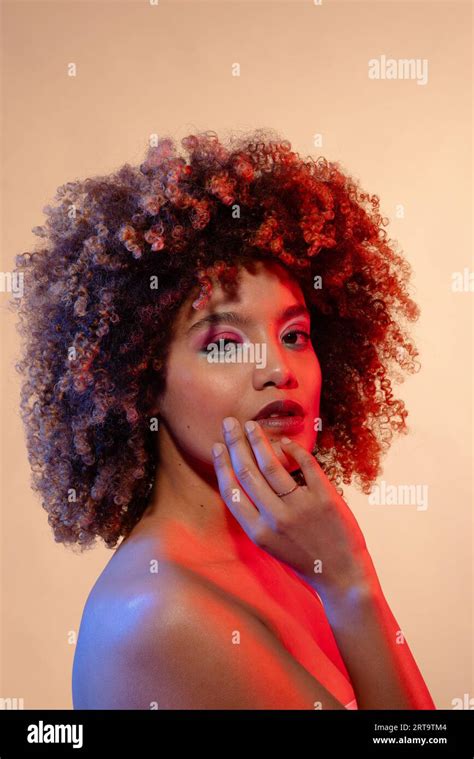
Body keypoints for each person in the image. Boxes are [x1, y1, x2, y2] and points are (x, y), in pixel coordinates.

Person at [12, 129, 436, 709]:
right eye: (224, 344)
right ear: (141, 379)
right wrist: (351, 582)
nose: (277, 370)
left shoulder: (280, 553)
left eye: (295, 335)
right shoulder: (164, 615)